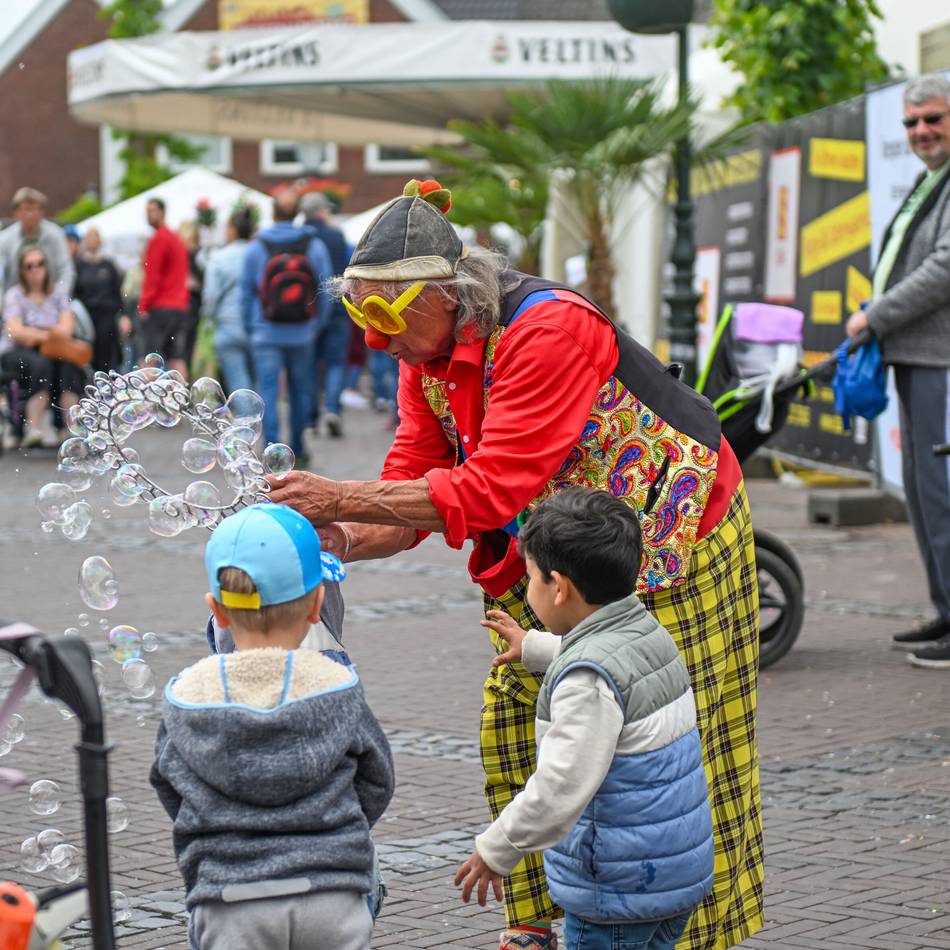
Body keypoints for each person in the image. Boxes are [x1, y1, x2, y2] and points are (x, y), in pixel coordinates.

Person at [267, 180, 763, 950]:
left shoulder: (550, 327)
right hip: (561, 553)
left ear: (443, 292)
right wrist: (343, 534)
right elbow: (415, 478)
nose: (371, 338)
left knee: (676, 743)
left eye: (384, 314)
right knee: (515, 715)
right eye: (358, 314)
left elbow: (493, 485)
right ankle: (541, 921)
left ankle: (689, 931)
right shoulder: (425, 353)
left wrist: (336, 495)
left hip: (675, 536)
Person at [456, 488, 713, 950]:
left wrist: (498, 848)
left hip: (616, 890)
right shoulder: (645, 631)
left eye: (531, 577)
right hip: (670, 874)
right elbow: (608, 662)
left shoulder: (587, 682)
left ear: (560, 587)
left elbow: (559, 785)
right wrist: (534, 647)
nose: (528, 587)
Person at [150, 502, 394, 950]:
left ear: (216, 611)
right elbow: (376, 781)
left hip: (229, 898)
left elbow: (169, 784)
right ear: (318, 604)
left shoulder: (188, 694)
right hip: (332, 893)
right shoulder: (337, 686)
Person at [846, 73, 950, 671]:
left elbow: (943, 270)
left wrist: (874, 317)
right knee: (923, 492)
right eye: (912, 123)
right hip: (916, 355)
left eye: (933, 118)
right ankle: (943, 606)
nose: (921, 132)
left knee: (940, 492)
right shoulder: (929, 181)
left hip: (938, 358)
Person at [241, 188, 332, 462]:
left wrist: (251, 327)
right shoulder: (313, 246)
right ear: (297, 214)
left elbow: (246, 293)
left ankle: (272, 452)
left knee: (267, 393)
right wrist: (316, 325)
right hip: (302, 333)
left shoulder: (257, 247)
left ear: (272, 213)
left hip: (265, 332)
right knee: (299, 390)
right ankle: (298, 448)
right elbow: (325, 290)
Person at [0, 246, 85, 448]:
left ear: (47, 267)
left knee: (69, 368)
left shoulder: (58, 293)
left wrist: (34, 332)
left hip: (52, 350)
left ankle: (70, 428)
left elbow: (67, 329)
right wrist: (49, 332)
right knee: (41, 365)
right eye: (29, 266)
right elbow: (15, 332)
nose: (35, 270)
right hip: (18, 351)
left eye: (40, 264)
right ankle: (33, 428)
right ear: (22, 271)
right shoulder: (15, 295)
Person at [301, 191, 352, 438]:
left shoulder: (298, 238)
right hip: (337, 308)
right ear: (322, 211)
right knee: (334, 363)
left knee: (310, 366)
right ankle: (332, 409)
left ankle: (310, 418)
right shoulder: (335, 236)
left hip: (306, 312)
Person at [202, 208, 255, 394]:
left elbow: (210, 296)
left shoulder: (218, 257)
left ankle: (248, 421)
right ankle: (260, 419)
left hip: (227, 326)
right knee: (258, 382)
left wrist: (208, 322)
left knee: (238, 381)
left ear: (232, 230)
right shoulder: (259, 254)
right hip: (258, 326)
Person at [139, 197, 190, 379]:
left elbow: (153, 277)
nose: (148, 215)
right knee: (177, 357)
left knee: (149, 359)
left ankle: (148, 404)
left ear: (162, 212)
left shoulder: (159, 239)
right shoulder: (176, 239)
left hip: (161, 307)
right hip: (178, 307)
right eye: (147, 211)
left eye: (152, 210)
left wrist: (144, 305)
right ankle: (183, 401)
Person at [0, 187, 74, 297]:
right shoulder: (4, 239)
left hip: (51, 300)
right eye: (26, 209)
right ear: (16, 213)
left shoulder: (56, 235)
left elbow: (65, 271)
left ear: (42, 212)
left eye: (35, 209)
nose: (31, 214)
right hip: (14, 303)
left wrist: (60, 297)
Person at [73, 228, 124, 373]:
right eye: (89, 237)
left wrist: (122, 315)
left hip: (106, 316)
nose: (93, 241)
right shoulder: (79, 265)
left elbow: (117, 292)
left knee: (106, 353)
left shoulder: (108, 265)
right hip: (86, 315)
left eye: (95, 237)